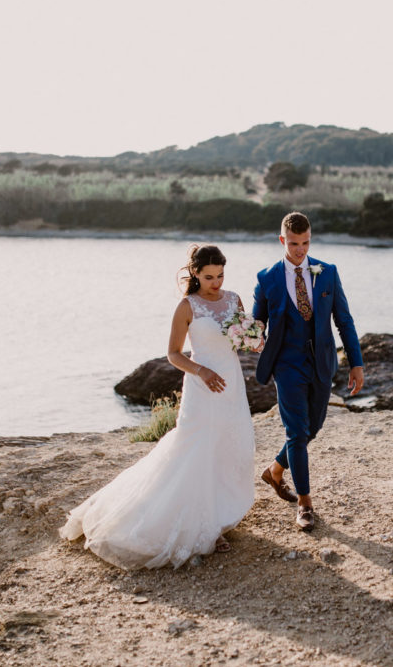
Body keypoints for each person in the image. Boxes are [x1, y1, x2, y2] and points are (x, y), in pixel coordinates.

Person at [59, 245, 257, 568]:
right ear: (195, 274)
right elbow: (174, 354)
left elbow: (238, 339)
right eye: (209, 277)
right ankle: (206, 528)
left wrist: (253, 338)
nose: (216, 282)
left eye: (220, 275)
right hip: (201, 385)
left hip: (231, 383)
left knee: (228, 444)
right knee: (197, 449)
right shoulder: (186, 307)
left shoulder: (233, 300)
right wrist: (202, 371)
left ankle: (220, 517)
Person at [253, 212, 364, 531]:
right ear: (282, 241)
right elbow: (258, 323)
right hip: (286, 365)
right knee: (296, 432)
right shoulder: (267, 278)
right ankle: (304, 504)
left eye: (305, 243)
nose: (300, 250)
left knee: (312, 428)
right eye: (293, 244)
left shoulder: (327, 272)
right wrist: (250, 335)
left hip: (322, 363)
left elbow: (344, 320)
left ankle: (275, 469)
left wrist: (356, 362)